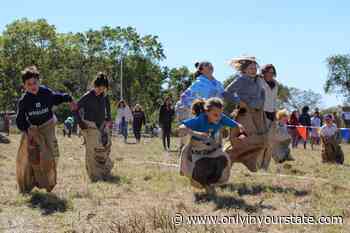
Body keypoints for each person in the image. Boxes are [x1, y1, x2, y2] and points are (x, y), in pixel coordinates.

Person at [16, 66, 75, 193]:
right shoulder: (24, 101)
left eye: (34, 83)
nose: (32, 86)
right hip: (32, 129)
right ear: (24, 86)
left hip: (48, 126)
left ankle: (48, 182)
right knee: (31, 158)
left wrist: (69, 98)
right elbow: (19, 121)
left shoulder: (46, 93)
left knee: (52, 155)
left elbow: (57, 97)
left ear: (39, 81)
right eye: (29, 84)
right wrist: (28, 129)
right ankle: (28, 184)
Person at [179, 98, 245, 196]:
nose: (218, 118)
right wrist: (196, 133)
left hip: (211, 148)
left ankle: (211, 183)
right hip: (197, 152)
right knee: (198, 168)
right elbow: (181, 128)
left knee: (223, 159)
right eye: (215, 115)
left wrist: (239, 126)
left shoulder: (221, 117)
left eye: (220, 114)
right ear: (206, 112)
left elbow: (233, 123)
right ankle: (201, 181)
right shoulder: (200, 119)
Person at [223, 56, 271, 172]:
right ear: (244, 70)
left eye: (255, 68)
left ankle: (250, 160)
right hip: (245, 114)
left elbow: (262, 94)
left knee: (262, 139)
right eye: (250, 68)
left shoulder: (258, 80)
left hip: (258, 114)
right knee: (243, 138)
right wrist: (239, 102)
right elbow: (226, 93)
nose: (253, 70)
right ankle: (226, 159)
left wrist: (261, 102)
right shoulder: (241, 79)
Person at [175, 62, 231, 154]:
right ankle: (186, 153)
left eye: (210, 65)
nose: (210, 66)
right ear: (201, 70)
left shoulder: (218, 84)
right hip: (200, 113)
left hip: (214, 113)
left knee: (216, 136)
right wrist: (194, 108)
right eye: (207, 65)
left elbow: (222, 97)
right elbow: (184, 97)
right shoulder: (198, 83)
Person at [75, 72, 114, 181]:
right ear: (95, 86)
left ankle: (104, 171)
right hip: (89, 125)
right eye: (99, 88)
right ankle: (94, 176)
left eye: (103, 89)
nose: (100, 91)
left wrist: (108, 118)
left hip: (101, 125)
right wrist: (80, 122)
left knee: (106, 147)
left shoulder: (104, 96)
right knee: (92, 151)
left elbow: (108, 106)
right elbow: (75, 108)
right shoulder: (87, 96)